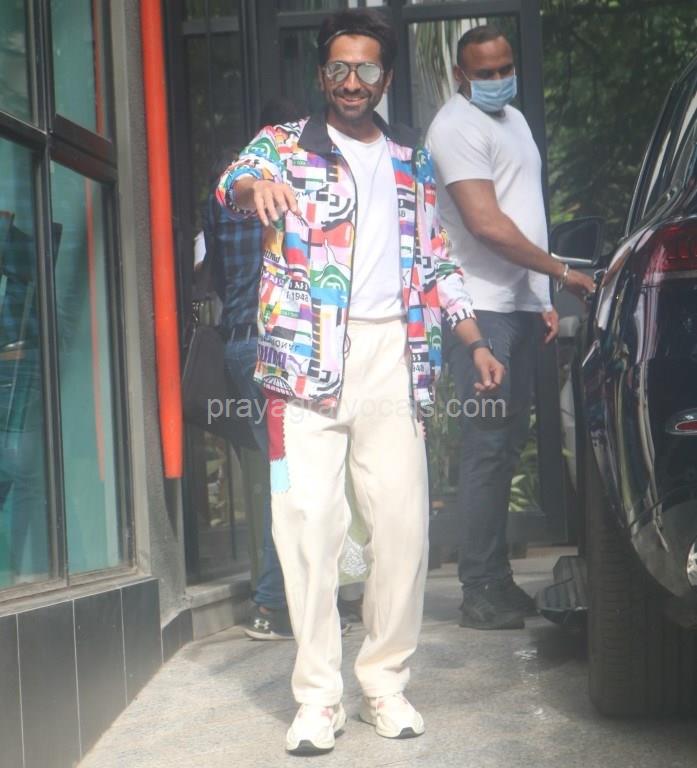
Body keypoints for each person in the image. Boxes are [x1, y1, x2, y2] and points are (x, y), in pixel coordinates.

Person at [218, 8, 505, 756]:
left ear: (386, 77)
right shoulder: (284, 144)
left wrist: (473, 339)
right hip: (303, 362)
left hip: (393, 358)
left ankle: (384, 682)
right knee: (307, 530)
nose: (353, 81)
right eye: (340, 68)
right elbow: (233, 183)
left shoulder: (412, 157)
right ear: (323, 75)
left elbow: (436, 259)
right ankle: (318, 700)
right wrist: (256, 189)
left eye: (367, 69)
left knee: (403, 529)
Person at [426, 25, 595, 631]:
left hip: (517, 305)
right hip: (480, 311)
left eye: (505, 68)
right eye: (485, 73)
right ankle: (478, 588)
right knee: (488, 447)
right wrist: (561, 273)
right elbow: (487, 224)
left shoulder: (515, 121)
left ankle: (497, 579)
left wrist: (540, 296)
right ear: (460, 75)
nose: (499, 80)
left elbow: (525, 211)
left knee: (505, 448)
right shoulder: (454, 128)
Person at [202, 98, 301, 640]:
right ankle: (272, 603)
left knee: (279, 473)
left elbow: (213, 275)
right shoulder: (290, 188)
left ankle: (282, 598)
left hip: (240, 344)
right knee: (293, 475)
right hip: (280, 345)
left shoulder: (223, 197)